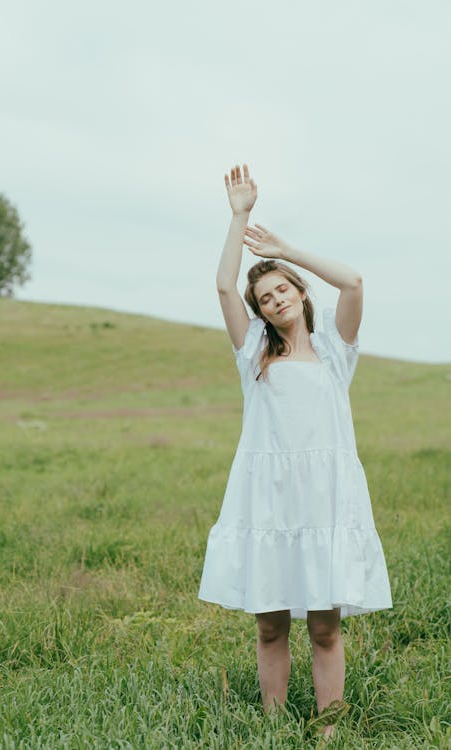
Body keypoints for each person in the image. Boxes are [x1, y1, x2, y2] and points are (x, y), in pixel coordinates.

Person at [197, 163, 393, 741]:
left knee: (327, 627)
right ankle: (274, 725)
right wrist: (239, 218)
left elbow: (354, 281)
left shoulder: (336, 349)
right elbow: (222, 286)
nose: (275, 299)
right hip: (268, 502)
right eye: (265, 297)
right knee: (270, 624)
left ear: (300, 293)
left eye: (282, 289)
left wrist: (286, 252)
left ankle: (331, 728)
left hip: (325, 500)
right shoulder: (253, 354)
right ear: (258, 311)